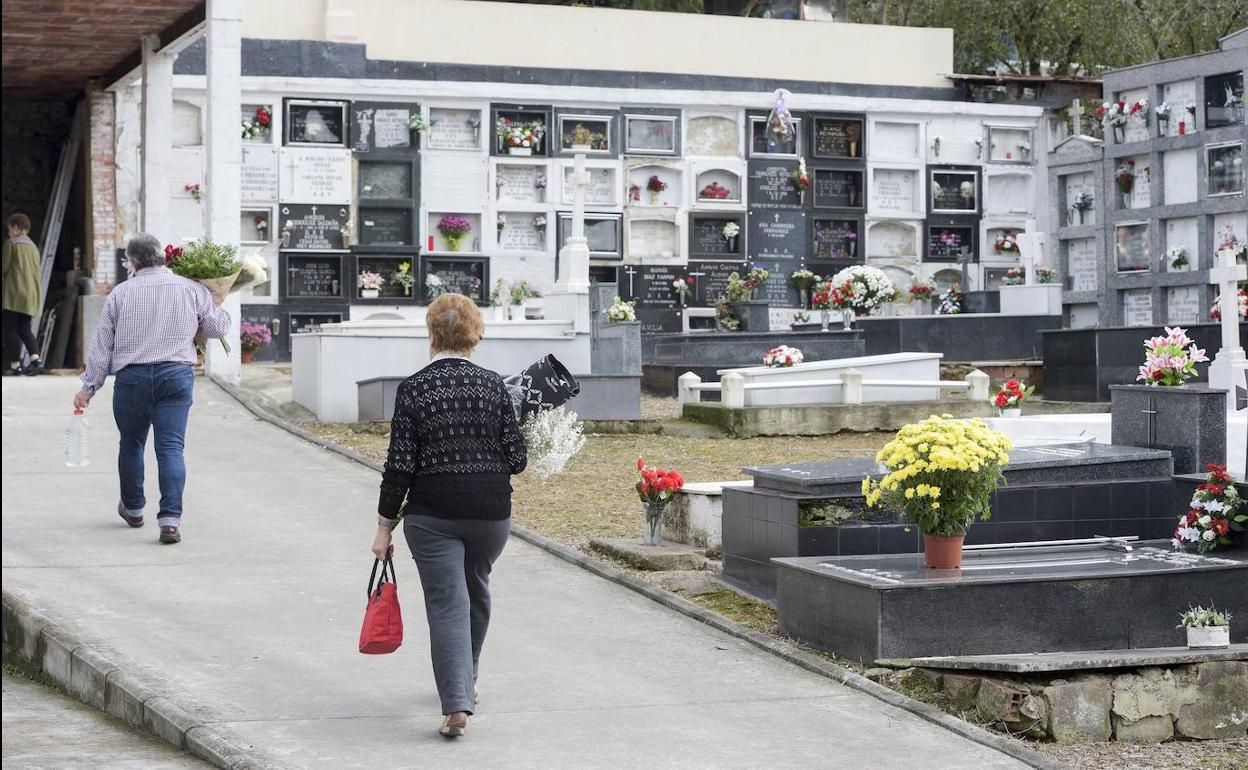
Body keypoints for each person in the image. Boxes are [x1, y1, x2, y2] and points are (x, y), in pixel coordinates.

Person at [371, 292, 527, 738]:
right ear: (474, 334)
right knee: (475, 593)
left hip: (433, 515)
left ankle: (456, 702)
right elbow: (517, 460)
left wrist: (384, 527)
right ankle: (466, 683)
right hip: (490, 514)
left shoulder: (414, 389)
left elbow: (399, 466)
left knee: (447, 604)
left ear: (432, 334)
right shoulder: (495, 386)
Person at [75, 234, 231, 545]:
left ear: (132, 263)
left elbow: (101, 346)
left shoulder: (120, 294)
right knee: (171, 449)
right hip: (175, 377)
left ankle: (133, 509)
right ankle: (170, 520)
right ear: (162, 256)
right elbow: (216, 329)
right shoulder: (192, 289)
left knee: (131, 444)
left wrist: (88, 388)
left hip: (132, 381)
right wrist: (219, 302)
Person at [2, 213, 44, 375]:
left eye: (9, 229)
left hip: (14, 293)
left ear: (16, 228)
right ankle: (36, 360)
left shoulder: (11, 244)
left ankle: (15, 366)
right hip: (31, 295)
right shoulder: (33, 247)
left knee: (10, 328)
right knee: (24, 328)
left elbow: (4, 268)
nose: (8, 233)